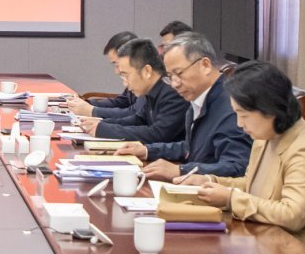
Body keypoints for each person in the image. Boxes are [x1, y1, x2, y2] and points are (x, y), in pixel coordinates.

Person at [184, 60, 305, 254]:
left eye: (243, 115)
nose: (239, 124)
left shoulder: (303, 148)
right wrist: (210, 181)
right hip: (274, 244)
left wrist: (230, 198)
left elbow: (292, 215)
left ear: (269, 110)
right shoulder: (266, 134)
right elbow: (252, 185)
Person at [116, 32, 251, 180]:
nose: (174, 84)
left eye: (179, 73)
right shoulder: (200, 98)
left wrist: (181, 169)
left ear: (205, 65)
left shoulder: (231, 106)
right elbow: (189, 148)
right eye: (170, 76)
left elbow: (237, 166)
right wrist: (147, 150)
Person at [74, 38, 189, 144]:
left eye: (126, 76)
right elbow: (138, 119)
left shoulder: (173, 92)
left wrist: (104, 129)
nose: (125, 83)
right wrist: (99, 124)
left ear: (147, 71)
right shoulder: (152, 89)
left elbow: (158, 134)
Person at [66, 30, 139, 119]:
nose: (116, 71)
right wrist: (86, 104)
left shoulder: (146, 82)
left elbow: (135, 114)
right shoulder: (135, 78)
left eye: (117, 64)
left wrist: (92, 111)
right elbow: (123, 102)